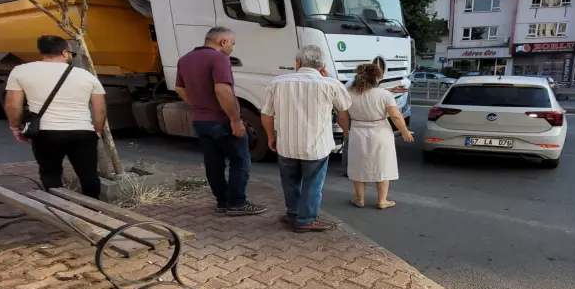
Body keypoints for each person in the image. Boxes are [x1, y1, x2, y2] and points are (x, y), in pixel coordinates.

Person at [175, 26, 266, 216]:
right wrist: (235, 120)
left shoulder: (184, 60)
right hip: (221, 120)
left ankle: (222, 201)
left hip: (201, 121)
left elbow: (179, 88)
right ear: (222, 42)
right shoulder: (219, 59)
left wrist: (198, 104)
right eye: (232, 43)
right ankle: (237, 203)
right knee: (240, 160)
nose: (232, 48)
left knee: (214, 163)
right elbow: (222, 90)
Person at [260, 45, 351, 233]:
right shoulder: (331, 84)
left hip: (287, 144)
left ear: (298, 62)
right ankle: (306, 219)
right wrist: (346, 132)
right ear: (322, 65)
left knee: (289, 181)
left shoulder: (277, 82)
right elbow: (343, 114)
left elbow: (266, 115)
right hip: (316, 146)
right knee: (312, 183)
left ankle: (293, 214)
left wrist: (270, 136)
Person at [4, 35, 106, 198]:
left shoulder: (21, 71)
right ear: (65, 53)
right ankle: (96, 210)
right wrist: (97, 130)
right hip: (82, 132)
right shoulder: (86, 75)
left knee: (50, 172)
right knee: (89, 175)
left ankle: (59, 207)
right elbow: (99, 109)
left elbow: (13, 105)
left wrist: (15, 127)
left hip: (46, 133)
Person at [337, 63, 413, 209]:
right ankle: (382, 200)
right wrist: (405, 132)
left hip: (357, 132)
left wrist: (347, 132)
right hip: (381, 132)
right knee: (383, 165)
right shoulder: (384, 95)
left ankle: (359, 199)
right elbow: (396, 116)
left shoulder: (349, 94)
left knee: (358, 165)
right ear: (378, 77)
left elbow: (342, 118)